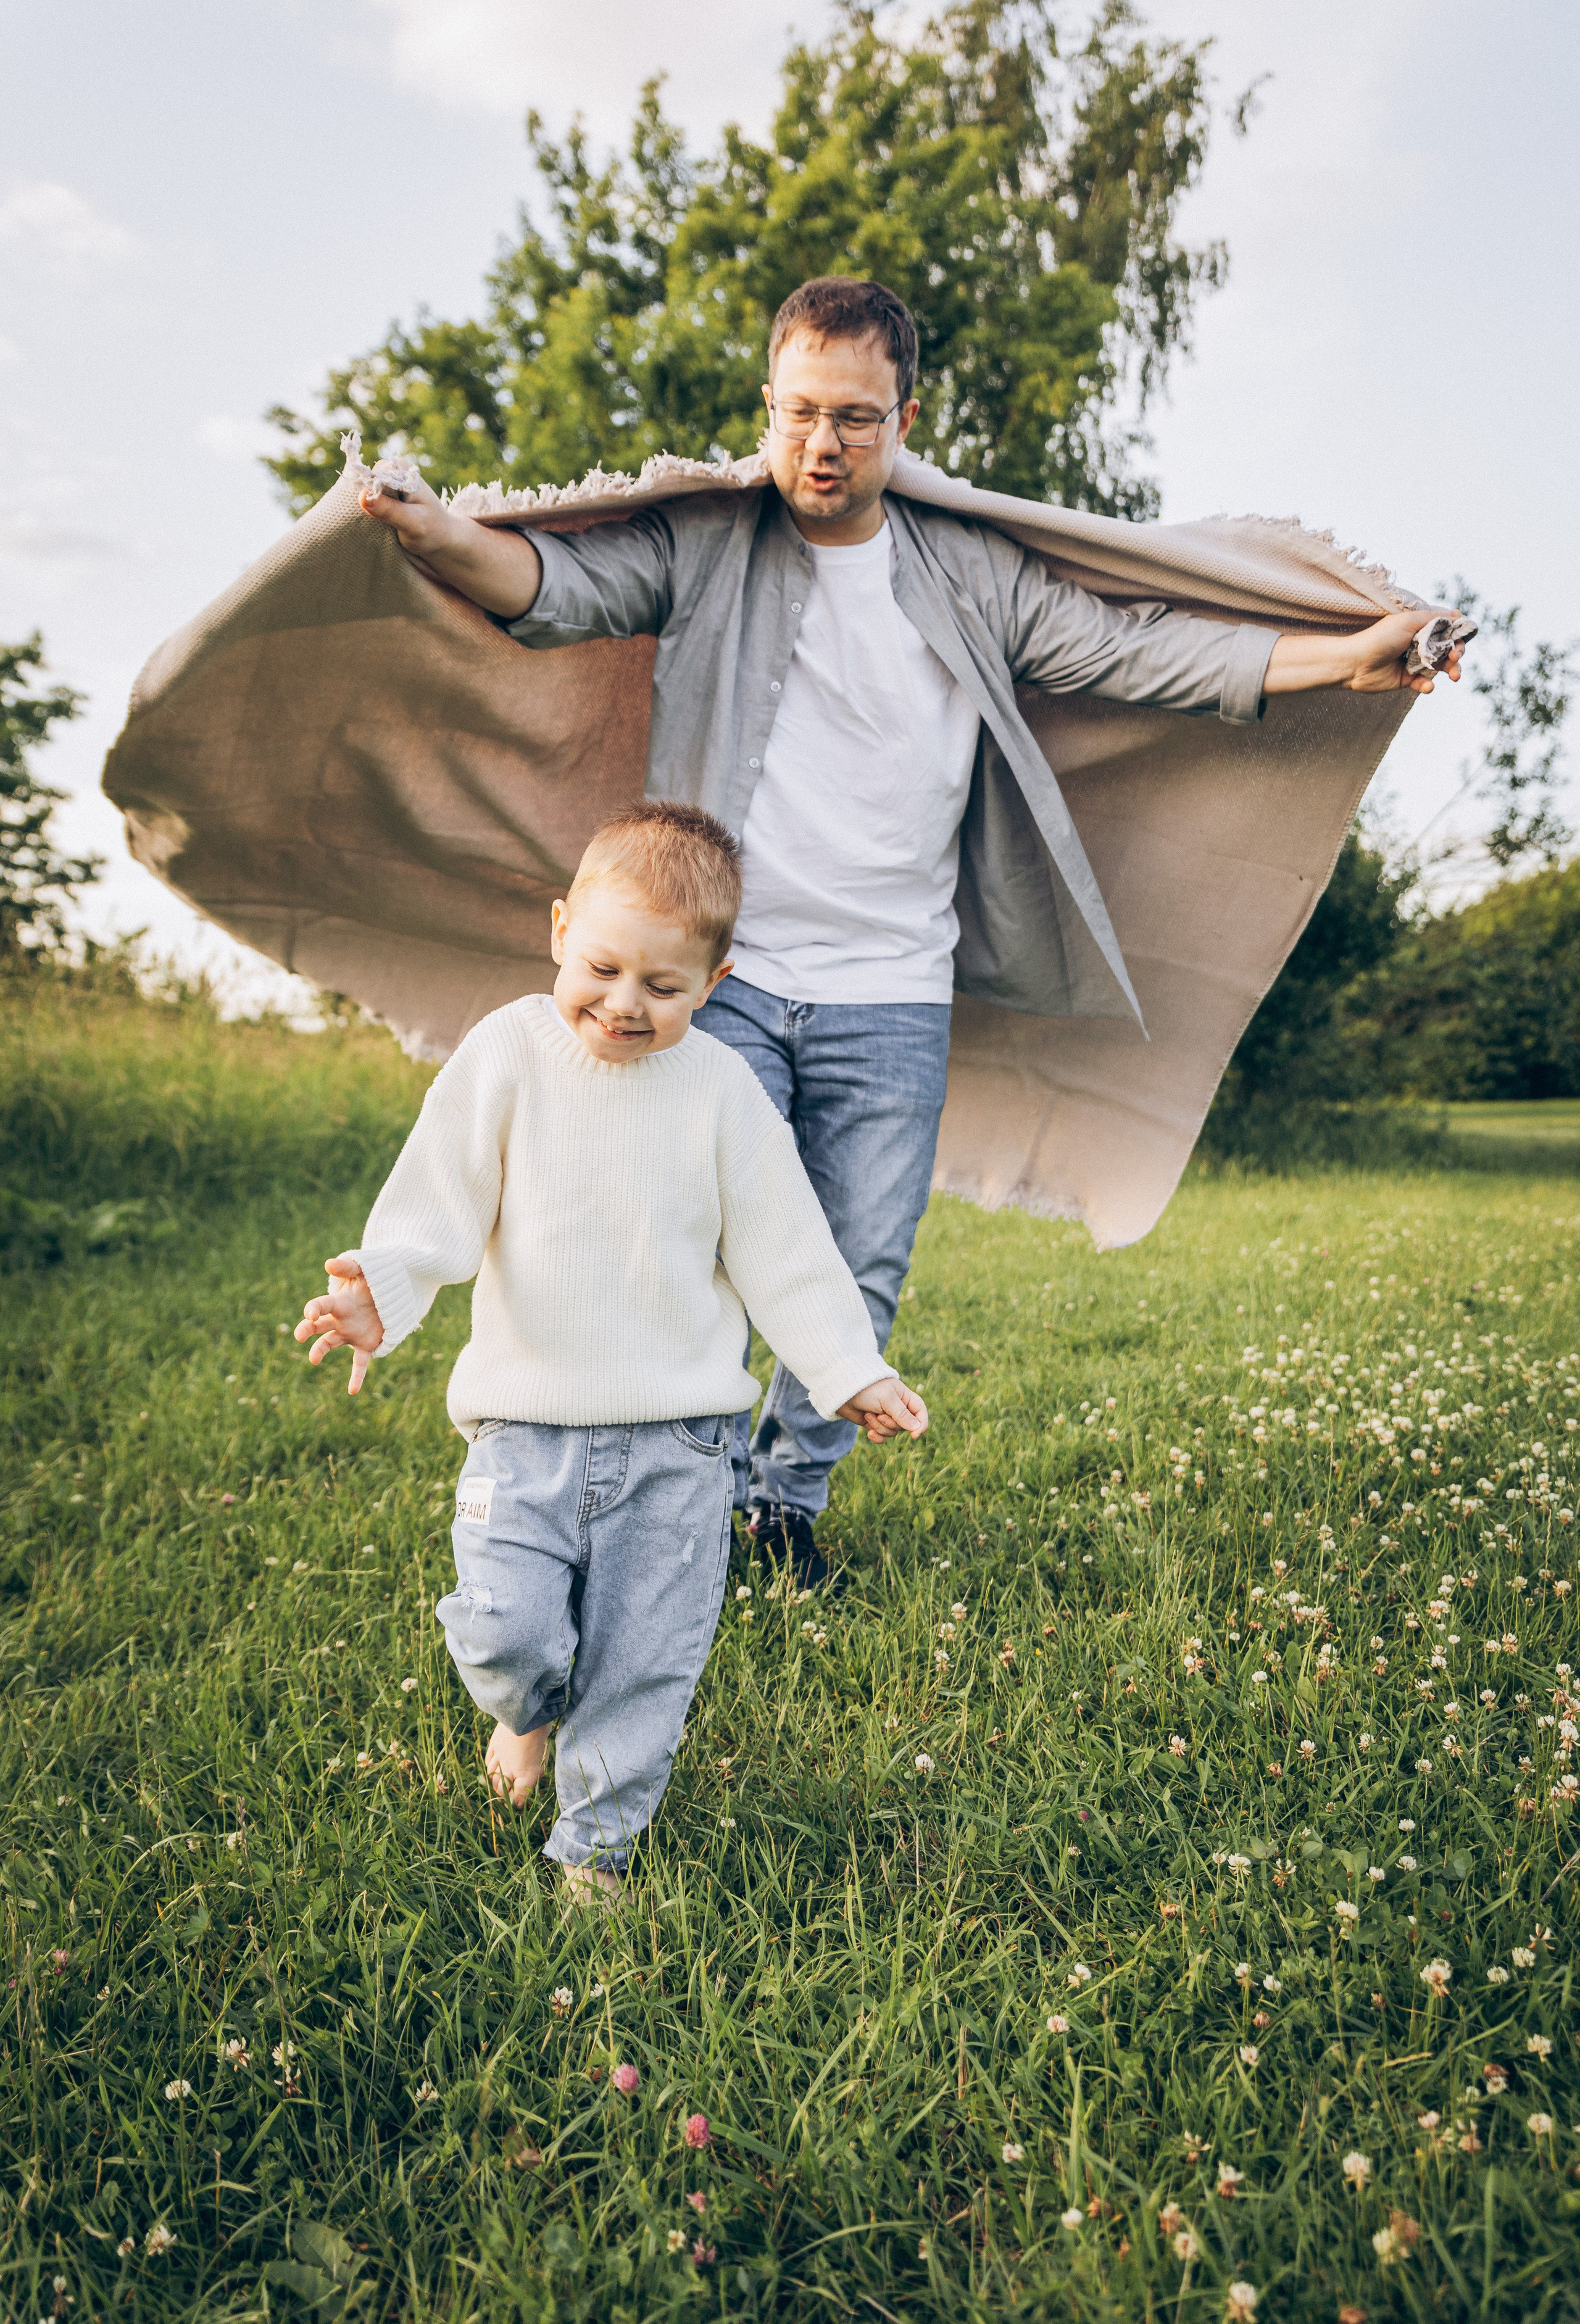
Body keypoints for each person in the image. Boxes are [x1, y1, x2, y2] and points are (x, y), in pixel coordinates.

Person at [353, 275, 1465, 1587]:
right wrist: (430, 531)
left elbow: (1136, 651)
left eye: (857, 419)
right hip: (725, 980)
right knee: (685, 1232)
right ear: (767, 408)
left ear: (904, 418)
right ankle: (672, 1502)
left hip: (892, 990)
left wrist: (1344, 658)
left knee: (857, 1266)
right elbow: (552, 583)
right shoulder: (711, 547)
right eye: (799, 413)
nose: (823, 445)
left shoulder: (969, 569)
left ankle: (777, 1510)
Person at [292, 802, 927, 1902]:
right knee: (504, 1631)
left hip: (679, 1445)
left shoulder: (722, 1094)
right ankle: (529, 1714)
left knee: (646, 1663)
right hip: (522, 1433)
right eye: (602, 968)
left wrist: (848, 1369)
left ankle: (596, 1852)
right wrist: (378, 1293)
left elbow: (788, 1247)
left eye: (664, 987)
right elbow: (437, 1200)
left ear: (715, 985)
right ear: (558, 931)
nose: (625, 1005)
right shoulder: (507, 1055)